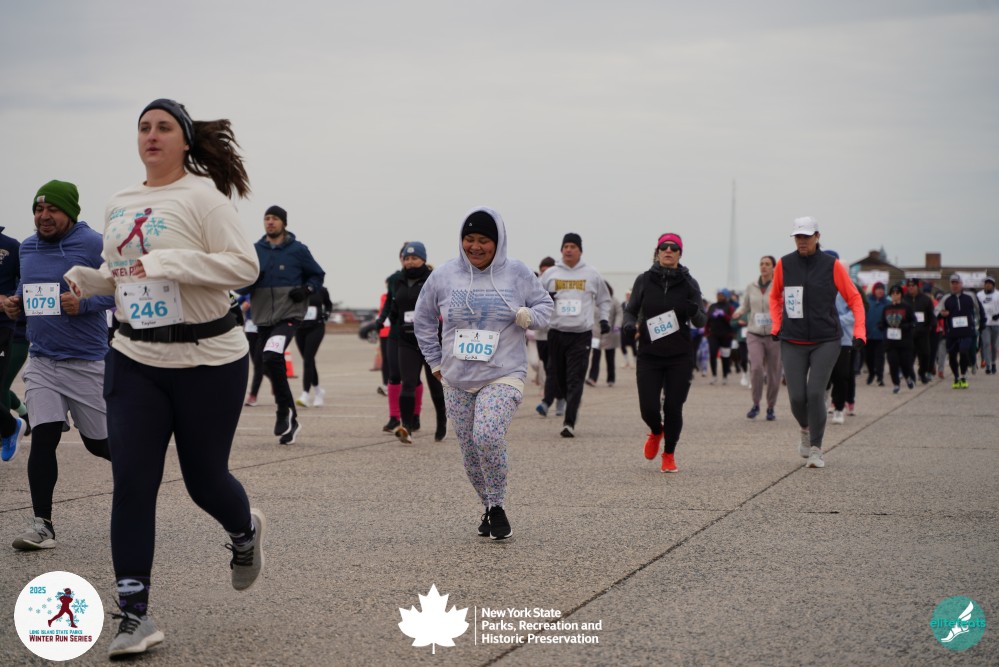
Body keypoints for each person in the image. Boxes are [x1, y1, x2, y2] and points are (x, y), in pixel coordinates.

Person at [65, 99, 264, 657]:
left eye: (164, 127)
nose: (151, 135)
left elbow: (245, 267)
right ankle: (134, 615)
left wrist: (170, 262)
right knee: (132, 482)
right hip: (134, 358)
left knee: (204, 481)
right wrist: (92, 280)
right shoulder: (119, 202)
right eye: (144, 127)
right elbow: (125, 273)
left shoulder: (204, 199)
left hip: (209, 360)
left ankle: (244, 532)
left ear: (185, 141)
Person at [414, 207, 552, 539]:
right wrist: (435, 363)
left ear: (498, 241)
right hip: (457, 378)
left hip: (503, 373)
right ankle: (488, 506)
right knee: (470, 450)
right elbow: (423, 319)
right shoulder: (444, 275)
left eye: (484, 241)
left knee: (487, 436)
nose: (475, 247)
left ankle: (499, 506)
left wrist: (529, 316)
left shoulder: (517, 272)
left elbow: (546, 307)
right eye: (469, 239)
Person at [6, 180, 113, 546]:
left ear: (70, 212)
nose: (44, 216)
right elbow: (27, 288)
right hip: (42, 360)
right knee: (44, 438)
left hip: (87, 362)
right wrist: (16, 303)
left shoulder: (94, 244)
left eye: (52, 209)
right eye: (38, 209)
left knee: (99, 445)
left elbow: (122, 290)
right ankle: (42, 526)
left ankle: (141, 472)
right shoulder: (28, 247)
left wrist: (85, 303)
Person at [769, 217, 865, 469]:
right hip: (792, 338)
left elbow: (854, 298)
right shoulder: (784, 264)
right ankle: (805, 428)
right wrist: (777, 324)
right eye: (798, 237)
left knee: (815, 393)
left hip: (826, 339)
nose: (802, 241)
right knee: (796, 397)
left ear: (817, 237)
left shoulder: (832, 265)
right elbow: (775, 297)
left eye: (807, 236)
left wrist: (859, 331)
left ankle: (816, 448)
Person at [240, 205, 325, 444]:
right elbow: (240, 283)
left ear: (283, 223)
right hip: (262, 318)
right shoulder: (254, 251)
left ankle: (282, 411)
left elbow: (317, 275)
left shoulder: (298, 250)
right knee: (265, 363)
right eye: (266, 218)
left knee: (271, 355)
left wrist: (306, 289)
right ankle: (291, 416)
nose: (270, 222)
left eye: (275, 218)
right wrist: (247, 284)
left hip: (289, 315)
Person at [623, 233, 706, 472]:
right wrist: (629, 324)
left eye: (674, 248)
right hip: (649, 354)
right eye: (664, 247)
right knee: (648, 408)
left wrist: (694, 311)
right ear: (658, 252)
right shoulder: (644, 280)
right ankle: (656, 430)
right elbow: (631, 310)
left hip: (679, 355)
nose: (668, 251)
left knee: (673, 407)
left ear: (680, 254)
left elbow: (701, 320)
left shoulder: (689, 283)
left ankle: (669, 454)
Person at [538, 233, 612, 437]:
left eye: (573, 246)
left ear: (580, 250)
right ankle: (566, 400)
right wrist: (545, 299)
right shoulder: (550, 274)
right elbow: (535, 296)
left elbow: (604, 299)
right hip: (556, 333)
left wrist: (604, 320)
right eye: (566, 246)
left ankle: (569, 422)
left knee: (576, 378)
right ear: (561, 250)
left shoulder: (591, 274)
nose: (569, 250)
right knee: (560, 377)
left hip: (581, 334)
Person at [389, 241, 447, 443]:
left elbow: (444, 304)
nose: (410, 262)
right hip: (406, 340)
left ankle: (442, 422)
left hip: (431, 340)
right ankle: (406, 427)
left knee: (435, 386)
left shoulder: (433, 279)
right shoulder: (398, 281)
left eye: (414, 258)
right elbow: (395, 307)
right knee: (408, 383)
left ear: (423, 259)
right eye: (407, 258)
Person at [732, 255, 781, 420]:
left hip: (774, 335)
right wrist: (738, 312)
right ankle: (756, 403)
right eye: (761, 264)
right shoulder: (751, 286)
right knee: (756, 368)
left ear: (774, 267)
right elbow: (745, 305)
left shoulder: (778, 286)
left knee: (774, 372)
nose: (764, 266)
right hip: (754, 332)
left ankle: (771, 407)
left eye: (767, 264)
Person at [0, 225, 23, 461]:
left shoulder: (11, 246)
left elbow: (26, 281)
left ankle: (8, 429)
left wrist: (9, 300)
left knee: (2, 386)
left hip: (3, 326)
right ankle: (9, 426)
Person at [294, 285, 333, 407]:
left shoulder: (321, 289)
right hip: (299, 329)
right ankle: (318, 391)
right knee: (308, 361)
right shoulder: (296, 288)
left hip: (316, 327)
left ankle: (305, 394)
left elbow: (328, 304)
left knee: (308, 359)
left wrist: (327, 313)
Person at [937, 274, 978, 388]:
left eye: (957, 283)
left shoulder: (970, 296)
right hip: (952, 333)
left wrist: (980, 325)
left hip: (967, 332)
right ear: (950, 285)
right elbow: (936, 313)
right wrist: (942, 314)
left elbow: (979, 310)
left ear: (961, 284)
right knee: (952, 356)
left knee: (964, 351)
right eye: (952, 283)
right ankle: (956, 377)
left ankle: (963, 376)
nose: (955, 285)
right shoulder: (946, 298)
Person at [880, 284, 917, 393]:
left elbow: (914, 322)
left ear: (901, 295)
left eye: (897, 293)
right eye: (893, 293)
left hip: (904, 342)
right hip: (891, 342)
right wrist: (881, 326)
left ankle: (908, 377)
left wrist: (907, 326)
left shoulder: (906, 307)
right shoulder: (887, 308)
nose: (895, 295)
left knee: (905, 363)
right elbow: (882, 322)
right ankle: (896, 384)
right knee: (893, 363)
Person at [587, 283, 621, 387]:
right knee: (595, 356)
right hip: (596, 333)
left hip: (610, 333)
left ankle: (611, 379)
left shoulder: (614, 301)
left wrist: (617, 326)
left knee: (610, 357)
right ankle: (592, 378)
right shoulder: (593, 301)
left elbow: (619, 314)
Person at [865, 282, 889, 386]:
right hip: (868, 334)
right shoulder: (867, 302)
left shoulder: (887, 303)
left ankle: (880, 376)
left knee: (880, 357)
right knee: (868, 357)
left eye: (882, 289)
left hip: (881, 335)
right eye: (878, 289)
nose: (880, 291)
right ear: (874, 290)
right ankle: (871, 373)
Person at [976, 275, 999, 375]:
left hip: (996, 323)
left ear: (993, 285)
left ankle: (993, 363)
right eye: (986, 283)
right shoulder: (979, 295)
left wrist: (998, 315)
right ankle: (988, 365)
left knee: (994, 346)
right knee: (986, 343)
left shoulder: (998, 294)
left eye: (990, 283)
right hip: (984, 323)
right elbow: (976, 308)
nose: (988, 285)